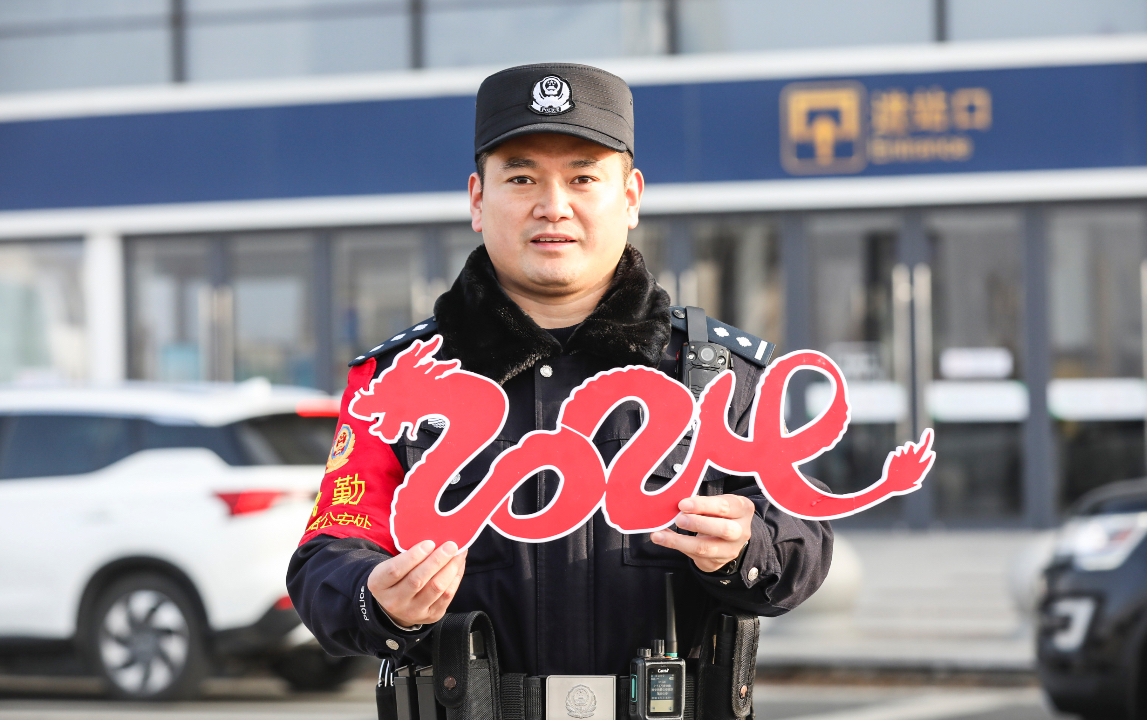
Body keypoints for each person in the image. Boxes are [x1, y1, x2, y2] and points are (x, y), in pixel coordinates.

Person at [286, 62, 833, 677]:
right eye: (521, 178)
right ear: (477, 198)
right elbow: (325, 558)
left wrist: (745, 548)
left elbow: (804, 548)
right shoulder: (397, 381)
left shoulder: (720, 375)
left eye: (582, 178)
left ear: (630, 198)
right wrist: (374, 596)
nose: (553, 207)